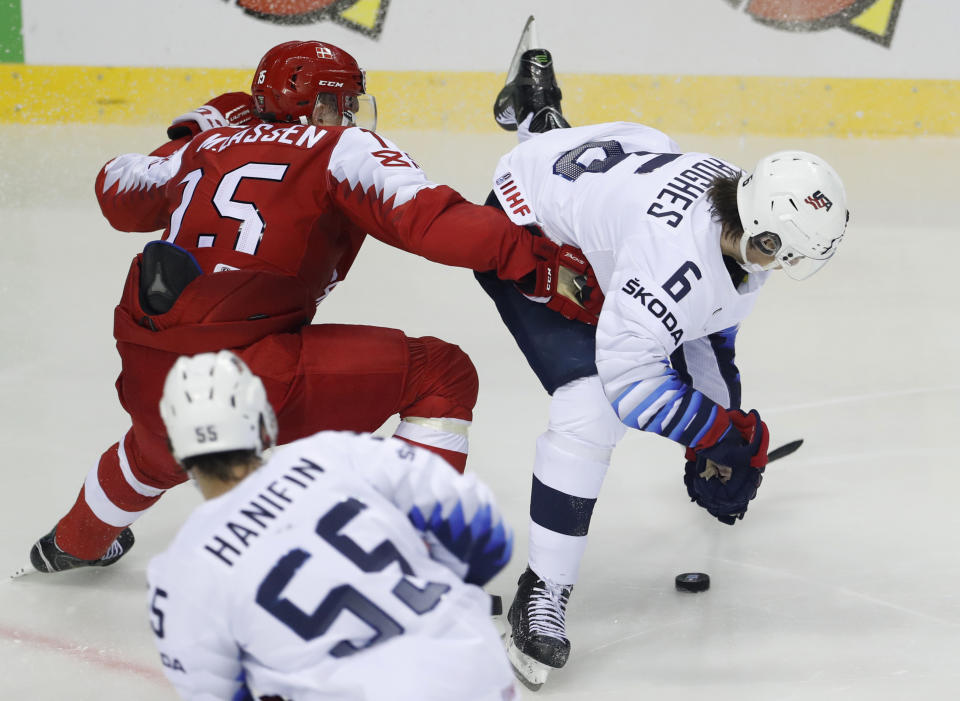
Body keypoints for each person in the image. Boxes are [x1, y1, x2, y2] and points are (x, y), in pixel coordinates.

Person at [28, 40, 595, 575]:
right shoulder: (341, 148)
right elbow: (430, 220)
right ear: (316, 104)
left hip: (148, 362)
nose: (347, 114)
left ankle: (73, 543)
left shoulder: (201, 150)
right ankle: (405, 564)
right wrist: (534, 259)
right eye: (340, 101)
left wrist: (193, 130)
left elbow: (116, 190)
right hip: (252, 376)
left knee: (157, 444)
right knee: (441, 373)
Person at [481, 27, 850, 689]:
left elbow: (709, 331)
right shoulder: (675, 262)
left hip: (612, 174)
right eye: (789, 251)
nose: (788, 265)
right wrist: (720, 435)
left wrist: (720, 433)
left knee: (621, 197)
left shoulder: (737, 209)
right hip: (523, 223)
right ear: (763, 232)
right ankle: (544, 590)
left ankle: (541, 119)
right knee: (591, 406)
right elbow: (632, 383)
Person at [147, 349, 518, 700]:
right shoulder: (334, 452)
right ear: (264, 423)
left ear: (178, 451)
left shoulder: (180, 571)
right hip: (474, 669)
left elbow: (215, 692)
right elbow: (486, 532)